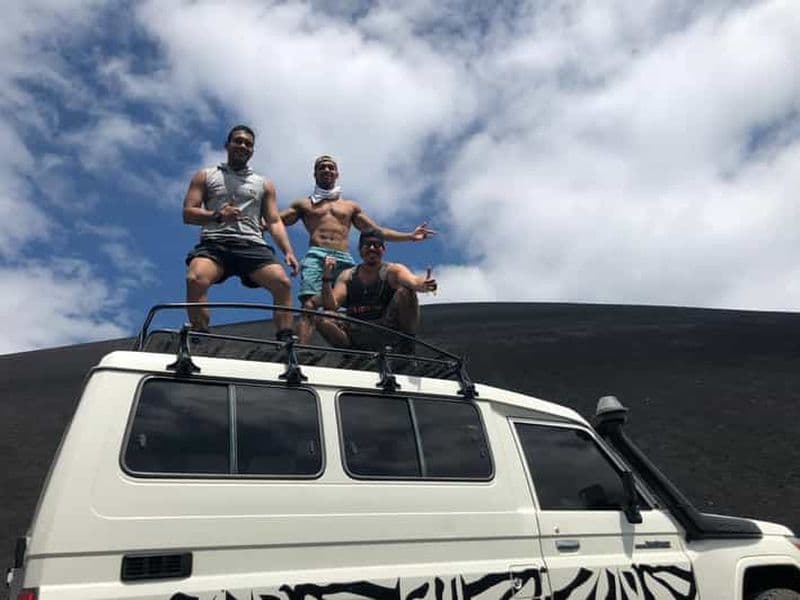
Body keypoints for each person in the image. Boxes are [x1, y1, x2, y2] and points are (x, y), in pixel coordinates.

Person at [280, 155, 436, 343]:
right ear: (315, 174)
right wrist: (254, 221)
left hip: (343, 257)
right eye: (322, 167)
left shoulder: (350, 206)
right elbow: (276, 220)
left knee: (352, 302)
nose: (327, 170)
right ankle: (301, 352)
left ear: (337, 173)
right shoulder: (304, 204)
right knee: (309, 304)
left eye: (331, 167)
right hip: (317, 254)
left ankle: (363, 343)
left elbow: (376, 231)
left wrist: (409, 236)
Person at [183, 124, 299, 338]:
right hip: (215, 244)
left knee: (282, 283)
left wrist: (288, 252)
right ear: (227, 145)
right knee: (195, 278)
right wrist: (217, 215)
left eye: (248, 144)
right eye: (238, 141)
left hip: (252, 245)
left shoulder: (264, 183)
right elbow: (188, 214)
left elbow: (273, 220)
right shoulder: (205, 175)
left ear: (252, 151)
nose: (243, 146)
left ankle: (286, 340)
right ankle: (200, 334)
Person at [316, 229, 437, 353]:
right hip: (356, 329)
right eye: (367, 245)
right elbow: (331, 306)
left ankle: (407, 347)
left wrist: (424, 284)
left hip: (387, 328)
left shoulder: (392, 271)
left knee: (407, 291)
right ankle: (353, 355)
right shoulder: (347, 275)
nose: (372, 248)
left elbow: (413, 281)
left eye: (377, 245)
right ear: (360, 250)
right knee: (322, 317)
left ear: (383, 250)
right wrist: (326, 278)